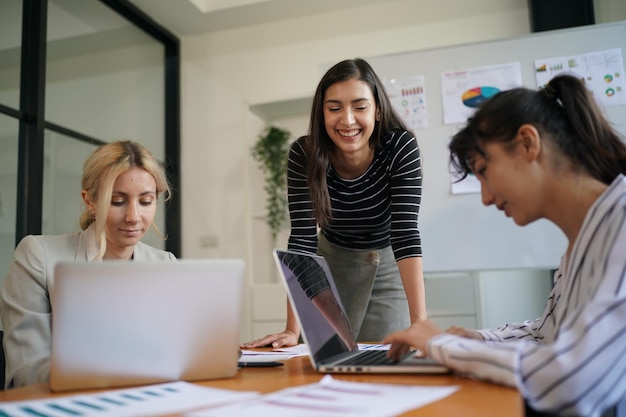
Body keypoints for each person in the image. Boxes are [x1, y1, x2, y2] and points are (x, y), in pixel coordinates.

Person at [384, 74, 626, 417]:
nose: (485, 197)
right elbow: (546, 333)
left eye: (484, 170)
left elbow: (572, 381)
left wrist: (445, 346)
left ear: (528, 143)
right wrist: (478, 340)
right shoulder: (582, 240)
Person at [242, 58, 427, 348]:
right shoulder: (304, 154)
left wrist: (419, 324)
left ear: (378, 110)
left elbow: (405, 233)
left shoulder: (400, 147)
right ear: (322, 113)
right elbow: (303, 239)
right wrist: (293, 328)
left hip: (387, 265)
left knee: (387, 359)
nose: (348, 119)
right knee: (326, 358)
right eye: (335, 108)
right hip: (330, 265)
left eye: (360, 106)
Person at [0, 140, 176, 389]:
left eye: (146, 201)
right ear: (90, 201)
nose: (133, 216)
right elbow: (24, 373)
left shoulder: (164, 264)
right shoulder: (39, 256)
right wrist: (112, 369)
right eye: (117, 201)